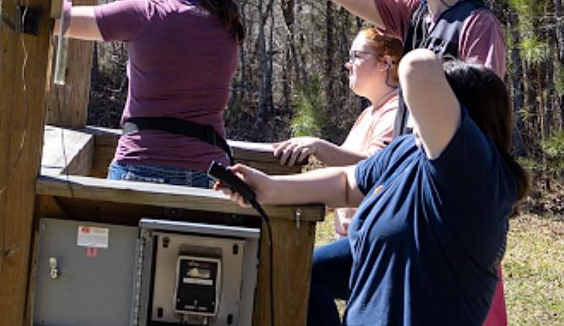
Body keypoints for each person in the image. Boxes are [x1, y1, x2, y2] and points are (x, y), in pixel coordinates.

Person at [252, 0, 511, 324]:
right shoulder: (413, 14)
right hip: (401, 173)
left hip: (444, 192)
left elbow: (481, 105)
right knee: (312, 275)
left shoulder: (478, 23)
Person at [217, 50, 532, 325]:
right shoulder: (409, 150)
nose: (414, 111)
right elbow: (348, 183)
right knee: (304, 272)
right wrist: (271, 188)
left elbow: (418, 68)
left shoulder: (475, 173)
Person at [63, 0, 245, 188]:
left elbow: (58, 18)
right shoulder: (227, 25)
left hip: (141, 167)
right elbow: (176, 23)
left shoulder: (143, 15)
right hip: (212, 175)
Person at [274, 28, 403, 326]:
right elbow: (340, 176)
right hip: (355, 239)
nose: (348, 64)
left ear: (386, 62)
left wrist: (318, 146)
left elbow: (373, 169)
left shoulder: (395, 111)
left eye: (357, 56)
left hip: (375, 243)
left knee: (306, 274)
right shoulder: (370, 114)